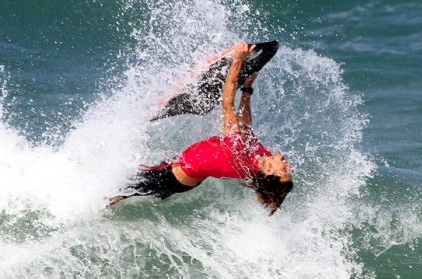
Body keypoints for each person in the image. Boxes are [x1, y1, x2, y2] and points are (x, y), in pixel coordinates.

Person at [109, 43, 293, 215]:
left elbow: (227, 105)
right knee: (142, 190)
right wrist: (247, 89)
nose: (288, 166)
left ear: (269, 172)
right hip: (185, 171)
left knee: (119, 190)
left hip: (174, 176)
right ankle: (153, 197)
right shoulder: (262, 156)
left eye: (283, 170)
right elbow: (245, 125)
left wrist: (237, 60)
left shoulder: (240, 154)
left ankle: (90, 208)